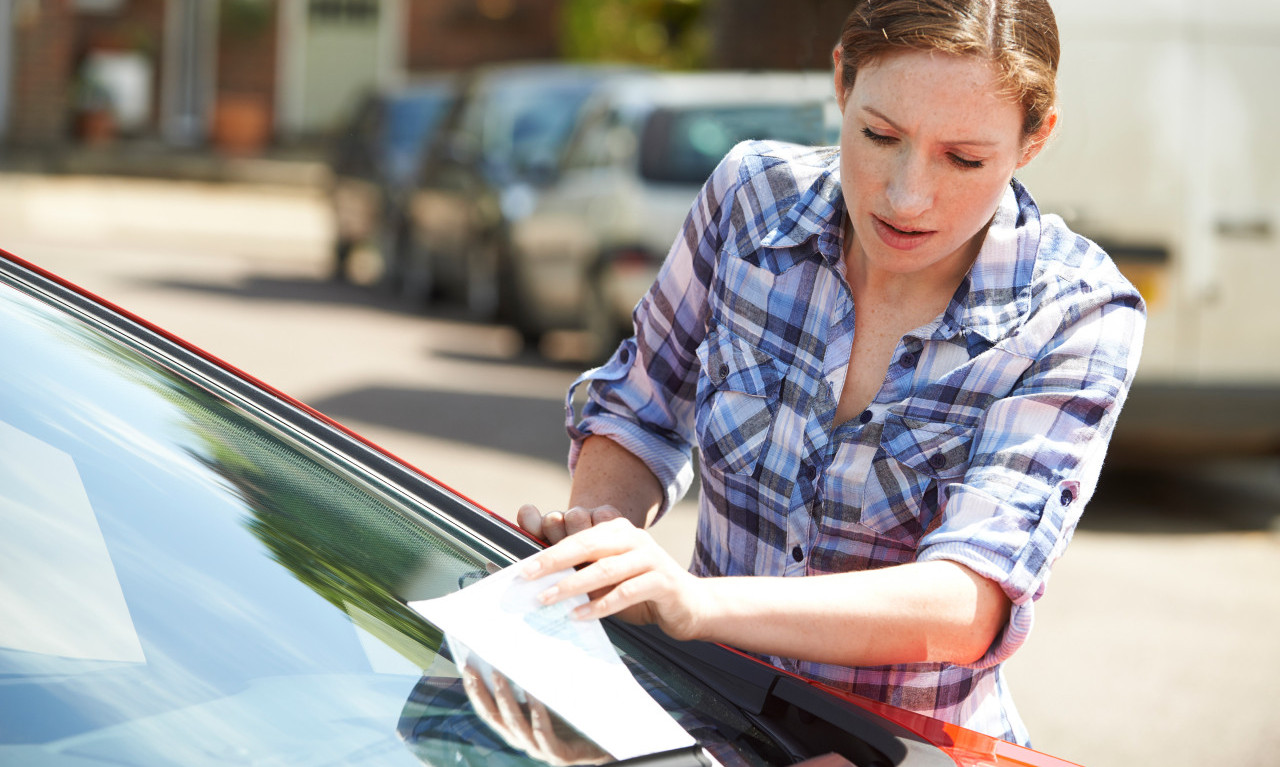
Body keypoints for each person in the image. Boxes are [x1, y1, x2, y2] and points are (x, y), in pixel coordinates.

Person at [517, 0, 1145, 746]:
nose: (907, 195)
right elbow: (640, 407)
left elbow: (969, 600)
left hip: (904, 748)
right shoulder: (750, 199)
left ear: (1034, 139)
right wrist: (601, 543)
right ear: (842, 83)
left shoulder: (1078, 311)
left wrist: (695, 603)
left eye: (964, 158)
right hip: (704, 720)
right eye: (880, 136)